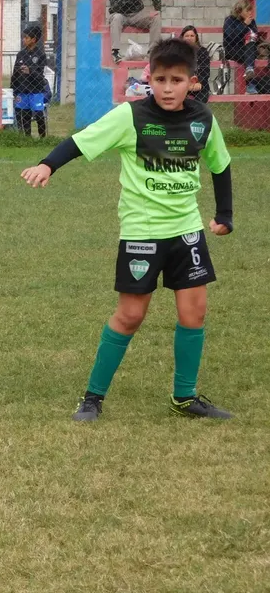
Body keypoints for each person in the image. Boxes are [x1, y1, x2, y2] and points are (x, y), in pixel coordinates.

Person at [20, 38, 235, 422]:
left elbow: (220, 164)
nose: (167, 88)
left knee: (194, 313)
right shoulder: (130, 116)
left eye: (176, 80)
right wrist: (47, 165)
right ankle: (92, 398)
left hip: (187, 230)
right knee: (131, 315)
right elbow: (81, 141)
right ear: (149, 79)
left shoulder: (203, 119)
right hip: (142, 232)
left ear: (192, 82)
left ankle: (184, 397)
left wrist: (225, 214)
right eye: (160, 79)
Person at [109, 0, 162, 64]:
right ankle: (115, 52)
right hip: (121, 14)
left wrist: (157, 8)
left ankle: (152, 52)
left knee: (156, 17)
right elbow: (114, 8)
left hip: (137, 14)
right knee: (116, 18)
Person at [12, 25, 49, 138]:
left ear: (33, 39)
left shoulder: (41, 55)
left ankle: (42, 137)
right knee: (25, 115)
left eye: (26, 37)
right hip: (22, 90)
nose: (24, 39)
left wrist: (30, 71)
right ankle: (27, 138)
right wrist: (13, 89)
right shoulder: (20, 54)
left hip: (36, 90)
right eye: (23, 37)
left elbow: (41, 76)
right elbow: (15, 73)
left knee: (39, 114)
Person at [222, 0, 263, 96]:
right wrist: (245, 25)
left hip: (250, 48)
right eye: (247, 10)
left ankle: (250, 73)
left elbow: (255, 35)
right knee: (249, 53)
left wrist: (252, 37)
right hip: (233, 49)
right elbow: (232, 37)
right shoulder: (230, 20)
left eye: (251, 10)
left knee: (251, 45)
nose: (250, 13)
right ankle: (251, 85)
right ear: (240, 11)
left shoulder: (252, 21)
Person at [180, 25, 210, 103]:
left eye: (192, 36)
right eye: (186, 36)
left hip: (198, 83)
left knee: (201, 99)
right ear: (182, 38)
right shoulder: (177, 51)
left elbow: (205, 71)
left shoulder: (202, 51)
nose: (189, 38)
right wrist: (186, 84)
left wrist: (199, 82)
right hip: (182, 83)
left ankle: (197, 111)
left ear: (196, 38)